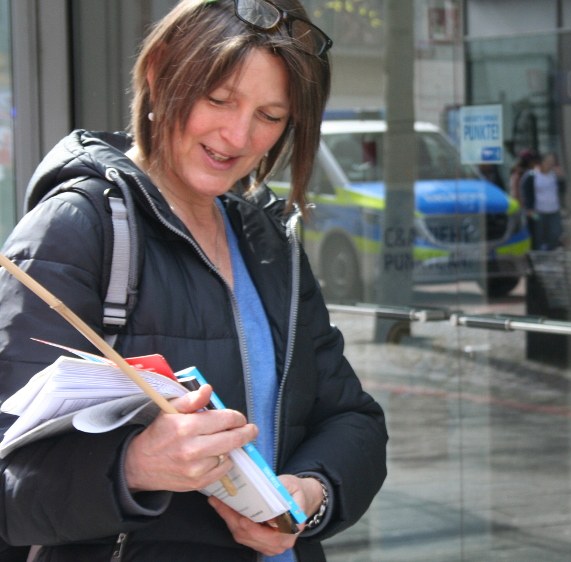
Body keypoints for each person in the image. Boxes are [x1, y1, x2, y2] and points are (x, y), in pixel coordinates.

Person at [0, 1, 388, 560]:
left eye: (271, 116)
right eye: (219, 100)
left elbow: (351, 417)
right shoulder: (77, 229)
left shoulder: (268, 242)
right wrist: (133, 466)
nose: (238, 136)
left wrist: (313, 492)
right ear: (159, 73)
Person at [520, 152, 567, 250]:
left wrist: (561, 178)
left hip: (554, 210)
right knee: (538, 235)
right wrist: (529, 208)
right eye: (548, 161)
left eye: (552, 162)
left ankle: (551, 252)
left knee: (555, 233)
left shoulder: (554, 175)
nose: (550, 164)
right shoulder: (532, 175)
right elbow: (526, 191)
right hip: (538, 211)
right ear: (542, 162)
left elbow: (562, 190)